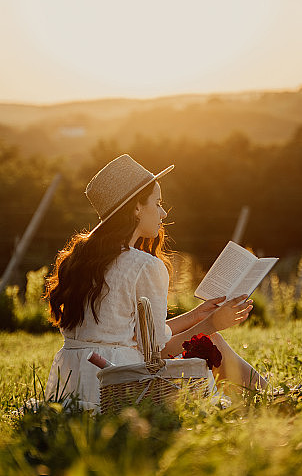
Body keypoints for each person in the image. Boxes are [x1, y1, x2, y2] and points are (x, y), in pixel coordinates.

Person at [43, 154, 267, 411]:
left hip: (74, 381)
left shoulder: (80, 260)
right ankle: (269, 398)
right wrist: (212, 323)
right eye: (158, 203)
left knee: (207, 335)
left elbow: (125, 333)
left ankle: (267, 395)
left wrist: (195, 316)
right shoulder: (144, 265)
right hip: (118, 382)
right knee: (211, 340)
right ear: (136, 208)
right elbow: (157, 352)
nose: (163, 212)